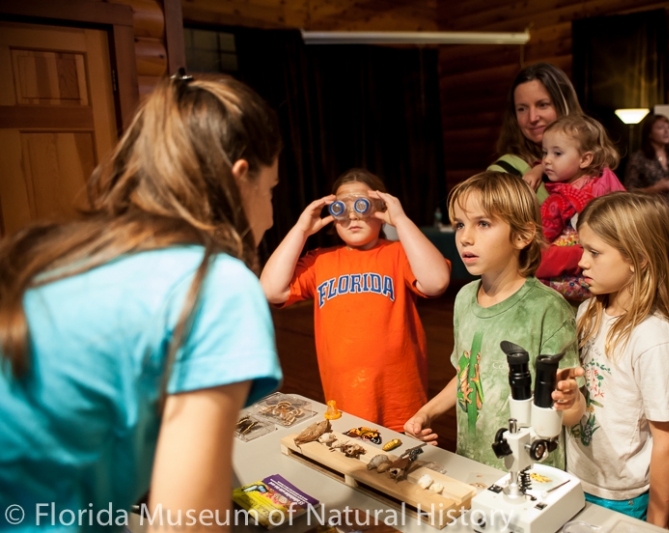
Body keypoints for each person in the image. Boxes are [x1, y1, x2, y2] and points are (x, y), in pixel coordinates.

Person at [0, 74, 284, 529]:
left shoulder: (64, 255)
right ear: (239, 178)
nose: (271, 215)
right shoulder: (215, 284)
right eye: (271, 191)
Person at [403, 171, 585, 471]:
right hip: (471, 462)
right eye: (460, 224)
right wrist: (427, 412)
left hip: (530, 473)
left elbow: (573, 412)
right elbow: (469, 372)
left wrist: (569, 399)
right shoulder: (463, 298)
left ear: (523, 236)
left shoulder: (546, 308)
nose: (465, 236)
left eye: (483, 224)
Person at [260, 169, 450, 433]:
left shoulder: (398, 254)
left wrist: (401, 220)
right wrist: (301, 229)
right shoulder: (320, 261)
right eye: (341, 208)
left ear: (381, 209)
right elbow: (271, 290)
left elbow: (436, 281)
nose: (352, 216)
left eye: (361, 205)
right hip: (344, 406)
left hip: (401, 406)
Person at [567, 192, 669, 527]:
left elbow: (667, 440)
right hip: (572, 478)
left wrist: (656, 522)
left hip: (622, 497)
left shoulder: (652, 338)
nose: (581, 262)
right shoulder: (587, 312)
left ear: (638, 257)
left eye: (594, 252)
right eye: (582, 249)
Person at [488, 63, 625, 282]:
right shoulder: (505, 172)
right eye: (522, 108)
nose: (532, 117)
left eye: (543, 105)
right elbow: (504, 250)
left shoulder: (593, 170)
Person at [539, 115, 619, 303]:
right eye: (544, 153)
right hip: (602, 279)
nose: (547, 161)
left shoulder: (559, 199)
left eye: (557, 153)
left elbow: (539, 243)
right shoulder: (605, 181)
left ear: (585, 159)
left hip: (569, 283)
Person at [624, 114, 669, 228]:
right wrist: (655, 189)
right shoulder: (638, 158)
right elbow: (629, 192)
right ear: (649, 133)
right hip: (651, 219)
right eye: (661, 128)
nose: (666, 131)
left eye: (668, 127)